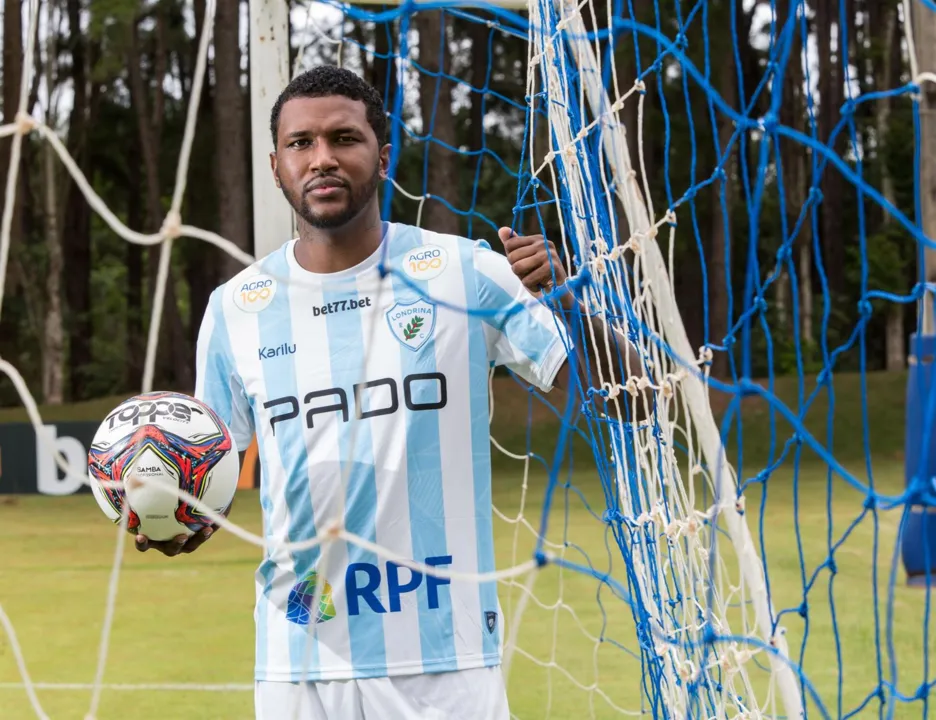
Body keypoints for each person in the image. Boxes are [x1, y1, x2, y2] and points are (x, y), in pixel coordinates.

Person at [135, 65, 640, 719]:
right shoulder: (235, 310)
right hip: (300, 664)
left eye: (344, 138)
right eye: (300, 143)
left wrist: (566, 299)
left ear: (382, 157)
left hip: (448, 659)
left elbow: (632, 398)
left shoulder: (466, 272)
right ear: (276, 166)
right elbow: (212, 479)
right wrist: (176, 516)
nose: (321, 158)